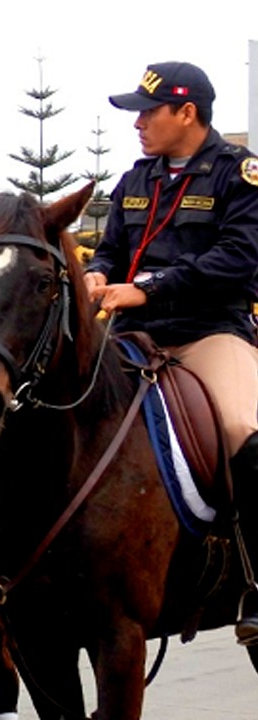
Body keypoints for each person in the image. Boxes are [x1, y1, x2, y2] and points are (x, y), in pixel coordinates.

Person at [85, 61, 258, 645]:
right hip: (135, 336)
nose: (137, 122)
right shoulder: (135, 179)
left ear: (187, 112)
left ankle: (257, 586)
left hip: (209, 333)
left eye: (147, 111)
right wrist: (95, 274)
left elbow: (239, 257)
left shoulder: (240, 174)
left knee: (240, 428)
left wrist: (150, 286)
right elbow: (109, 249)